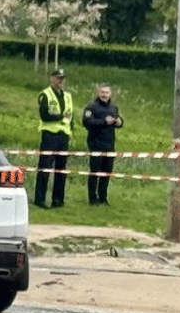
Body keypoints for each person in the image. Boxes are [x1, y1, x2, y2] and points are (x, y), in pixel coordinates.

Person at [34, 68, 73, 209]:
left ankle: (58, 200)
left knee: (61, 169)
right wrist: (60, 117)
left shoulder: (68, 96)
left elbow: (71, 116)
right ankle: (40, 199)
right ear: (52, 79)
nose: (60, 81)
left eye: (62, 78)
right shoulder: (45, 94)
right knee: (45, 168)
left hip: (64, 135)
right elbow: (44, 115)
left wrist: (70, 132)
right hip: (50, 135)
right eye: (58, 78)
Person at [81, 83, 124, 206]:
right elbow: (87, 123)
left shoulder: (113, 108)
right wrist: (104, 122)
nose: (104, 95)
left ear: (110, 94)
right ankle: (92, 199)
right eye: (102, 92)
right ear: (98, 93)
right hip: (95, 143)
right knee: (95, 172)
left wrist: (119, 123)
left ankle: (103, 198)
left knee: (107, 172)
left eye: (106, 92)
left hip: (109, 144)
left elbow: (119, 120)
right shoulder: (91, 107)